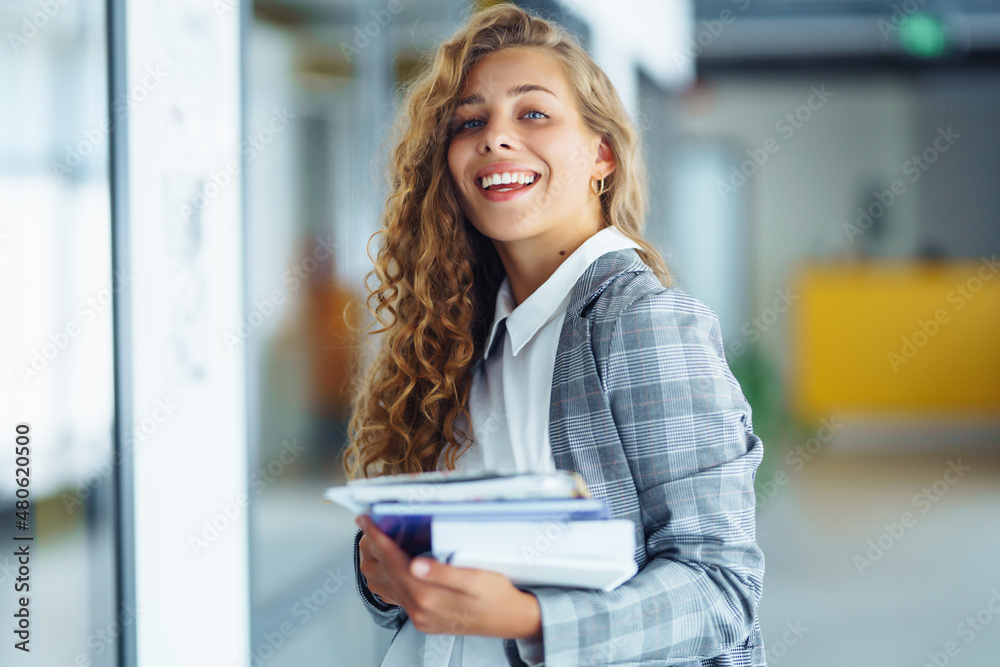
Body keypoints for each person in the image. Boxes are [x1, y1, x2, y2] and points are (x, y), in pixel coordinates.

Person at [342, 5, 766, 666]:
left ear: (601, 154)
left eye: (533, 113)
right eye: (470, 121)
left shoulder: (642, 322)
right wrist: (386, 575)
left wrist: (530, 619)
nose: (496, 138)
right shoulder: (461, 331)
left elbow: (721, 592)